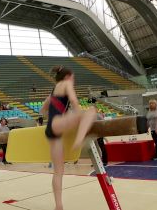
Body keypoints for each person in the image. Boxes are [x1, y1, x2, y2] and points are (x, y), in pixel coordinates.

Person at [40, 65, 96, 210]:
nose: (73, 79)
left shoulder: (52, 91)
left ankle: (59, 206)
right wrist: (79, 117)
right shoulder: (67, 84)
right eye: (73, 77)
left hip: (51, 129)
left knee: (58, 172)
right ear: (67, 77)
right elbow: (74, 102)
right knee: (91, 111)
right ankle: (80, 139)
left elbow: (42, 110)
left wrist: (57, 119)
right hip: (59, 123)